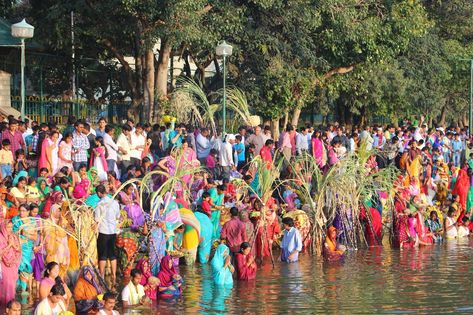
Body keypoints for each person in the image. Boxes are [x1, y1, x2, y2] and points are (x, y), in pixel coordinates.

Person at [95, 184, 121, 287]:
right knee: (112, 254)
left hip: (103, 232)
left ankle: (101, 276)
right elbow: (117, 216)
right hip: (112, 232)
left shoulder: (99, 204)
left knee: (103, 255)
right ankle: (114, 275)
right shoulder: (114, 203)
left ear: (99, 193)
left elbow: (97, 219)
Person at [0, 220, 21, 304]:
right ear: (3, 227)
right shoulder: (0, 238)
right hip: (3, 266)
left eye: (11, 227)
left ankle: (10, 306)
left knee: (11, 287)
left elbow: (19, 249)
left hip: (13, 266)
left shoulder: (13, 236)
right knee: (5, 286)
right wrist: (9, 245)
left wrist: (14, 246)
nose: (10, 229)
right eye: (8, 227)